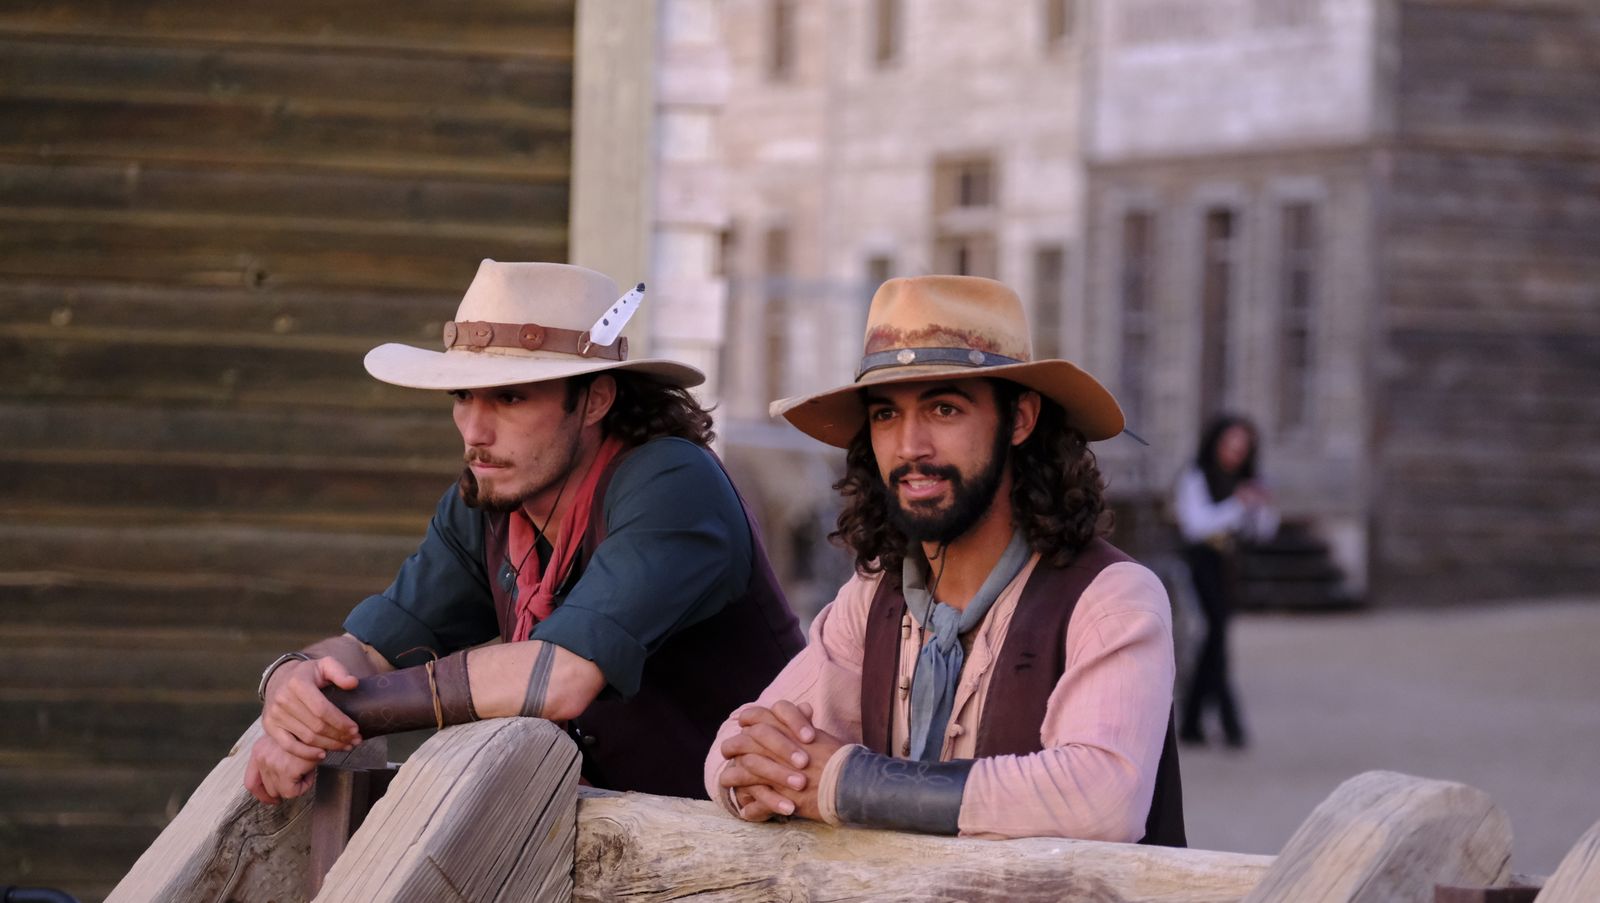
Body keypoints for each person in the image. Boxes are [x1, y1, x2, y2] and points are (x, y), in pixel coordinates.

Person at [245, 260, 805, 804]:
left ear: (596, 399)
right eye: (462, 397)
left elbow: (560, 676)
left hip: (759, 850)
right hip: (606, 849)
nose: (476, 431)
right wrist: (292, 688)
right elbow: (370, 650)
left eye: (510, 397)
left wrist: (347, 713)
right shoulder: (488, 499)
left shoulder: (673, 482)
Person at [703, 275, 1185, 843]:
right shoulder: (875, 600)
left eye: (945, 410)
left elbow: (1101, 800)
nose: (910, 447)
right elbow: (729, 751)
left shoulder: (1111, 597)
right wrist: (769, 772)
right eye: (885, 415)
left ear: (1021, 420)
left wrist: (848, 784)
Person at [1172, 413, 1278, 748]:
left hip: (1227, 566)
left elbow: (1262, 532)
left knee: (1215, 640)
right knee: (1214, 635)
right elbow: (1196, 525)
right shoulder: (1196, 475)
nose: (1235, 454)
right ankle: (1231, 723)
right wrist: (1238, 504)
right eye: (1230, 445)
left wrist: (1259, 507)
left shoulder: (1248, 479)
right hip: (1198, 564)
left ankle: (1192, 721)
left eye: (1242, 448)